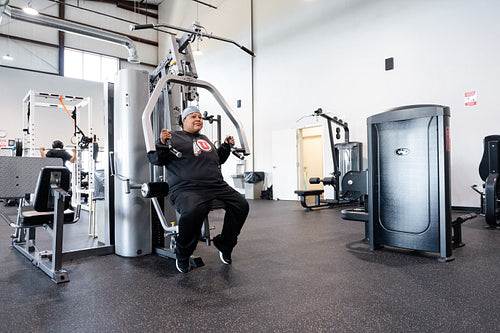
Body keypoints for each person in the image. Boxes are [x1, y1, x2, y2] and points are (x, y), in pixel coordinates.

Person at [151, 106, 249, 273]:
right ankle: (183, 254)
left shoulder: (204, 138)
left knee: (241, 205)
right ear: (183, 121)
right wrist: (161, 144)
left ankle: (225, 244)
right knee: (195, 210)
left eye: (199, 117)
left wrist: (225, 147)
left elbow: (217, 159)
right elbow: (156, 159)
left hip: (216, 185)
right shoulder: (172, 137)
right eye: (193, 117)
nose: (198, 119)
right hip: (186, 188)